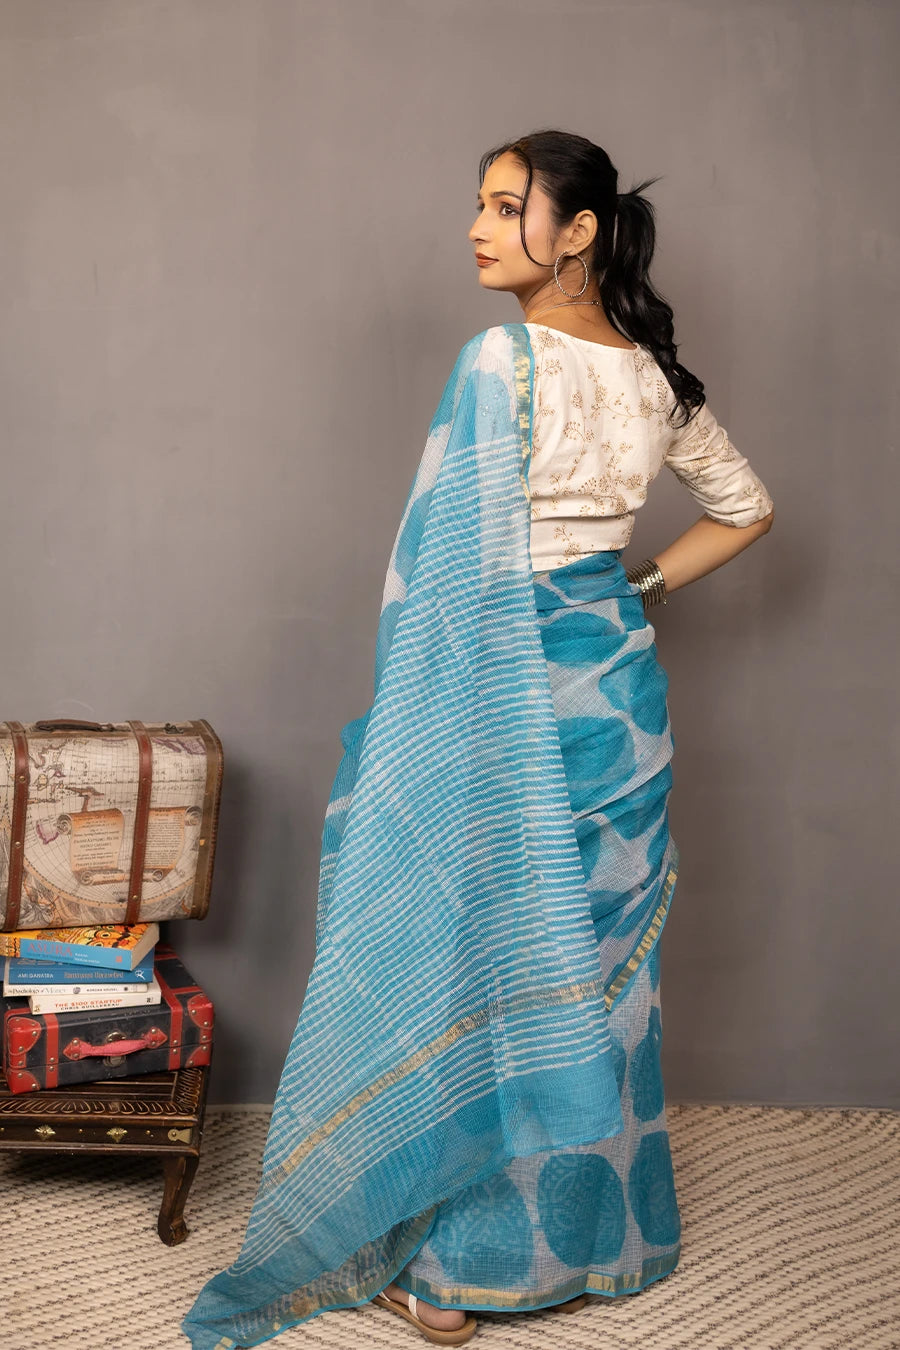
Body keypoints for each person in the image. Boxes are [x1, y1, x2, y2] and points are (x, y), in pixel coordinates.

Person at [183, 129, 774, 1350]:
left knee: (489, 962)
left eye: (508, 207)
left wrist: (417, 706)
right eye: (479, 204)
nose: (478, 227)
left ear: (579, 232)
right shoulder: (660, 379)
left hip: (505, 690)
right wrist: (641, 589)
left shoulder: (501, 358)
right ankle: (602, 1249)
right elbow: (748, 511)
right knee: (600, 973)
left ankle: (462, 1278)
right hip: (618, 695)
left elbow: (444, 575)